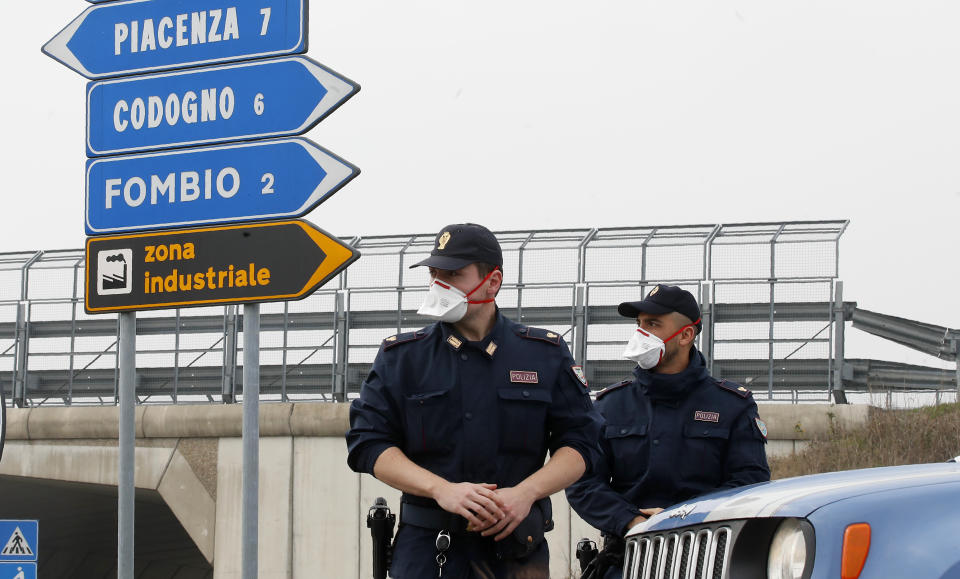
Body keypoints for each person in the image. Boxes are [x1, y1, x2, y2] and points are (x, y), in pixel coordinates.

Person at [346, 223, 602, 579]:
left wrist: (526, 493)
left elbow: (582, 444)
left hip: (517, 553)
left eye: (453, 274)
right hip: (427, 552)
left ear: (492, 281)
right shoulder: (402, 357)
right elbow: (367, 444)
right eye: (435, 274)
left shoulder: (544, 354)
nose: (439, 286)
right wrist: (441, 489)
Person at [566, 284, 770, 579]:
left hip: (706, 559)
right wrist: (633, 521)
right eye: (639, 324)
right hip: (627, 559)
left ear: (686, 335)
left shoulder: (732, 406)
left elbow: (750, 482)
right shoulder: (612, 405)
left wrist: (681, 519)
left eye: (653, 324)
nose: (641, 333)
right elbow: (582, 482)